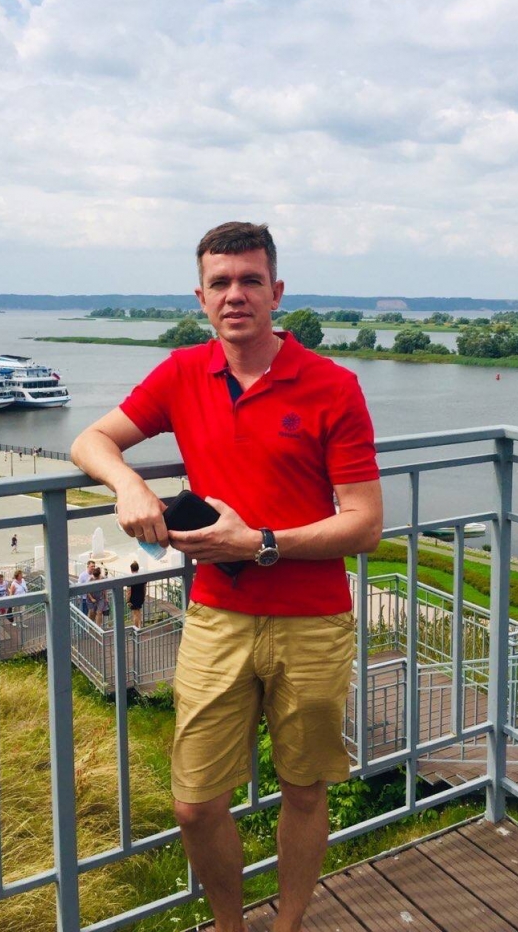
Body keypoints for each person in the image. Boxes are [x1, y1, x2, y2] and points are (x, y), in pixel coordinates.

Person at [71, 221, 382, 932]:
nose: (235, 294)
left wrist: (259, 542)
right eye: (220, 283)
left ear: (276, 292)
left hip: (313, 621)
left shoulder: (333, 386)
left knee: (304, 790)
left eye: (250, 280)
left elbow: (365, 523)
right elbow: (90, 439)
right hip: (217, 615)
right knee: (196, 802)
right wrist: (129, 484)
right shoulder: (183, 373)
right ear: (201, 297)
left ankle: (289, 925)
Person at [127, 559, 144, 629]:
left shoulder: (130, 579)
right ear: (138, 568)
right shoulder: (142, 577)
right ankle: (140, 627)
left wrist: (128, 600)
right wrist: (143, 596)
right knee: (138, 612)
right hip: (141, 596)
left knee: (135, 614)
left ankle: (136, 629)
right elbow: (144, 588)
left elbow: (129, 591)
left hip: (133, 598)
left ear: (131, 569)